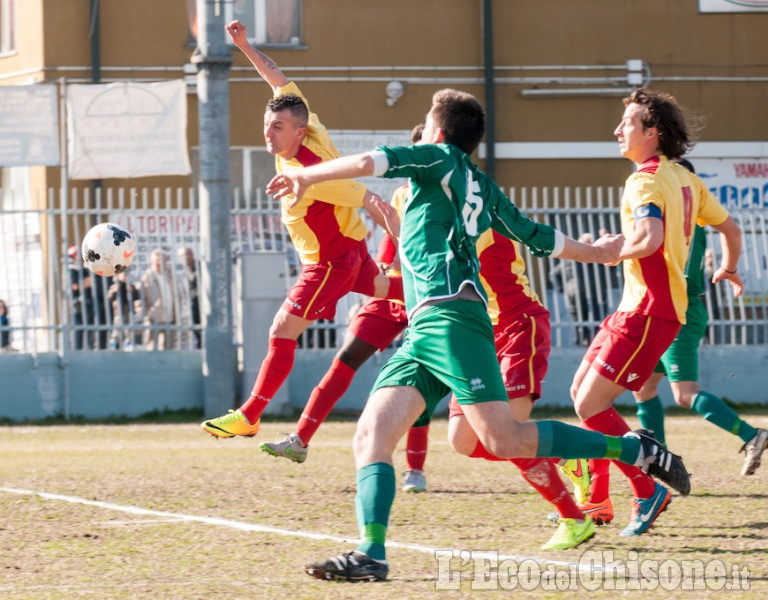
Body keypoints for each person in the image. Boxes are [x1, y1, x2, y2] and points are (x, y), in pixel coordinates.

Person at [267, 88, 690, 582]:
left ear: (439, 133)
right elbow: (537, 234)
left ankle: (635, 450)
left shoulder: (436, 157)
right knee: (372, 435)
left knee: (505, 438)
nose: (421, 133)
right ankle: (372, 554)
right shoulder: (477, 184)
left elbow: (365, 161)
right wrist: (602, 253)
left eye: (425, 125)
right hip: (427, 324)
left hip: (452, 318)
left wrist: (302, 174)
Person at [201, 20, 399, 438]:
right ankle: (467, 294)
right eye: (267, 126)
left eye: (276, 128)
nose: (267, 134)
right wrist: (245, 45)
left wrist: (404, 239)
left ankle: (250, 414)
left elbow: (373, 201)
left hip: (329, 262)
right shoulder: (307, 123)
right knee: (388, 291)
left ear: (299, 131)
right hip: (348, 249)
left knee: (281, 330)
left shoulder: (315, 173)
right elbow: (279, 81)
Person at [570, 89, 743, 538]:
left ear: (653, 132)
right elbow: (729, 226)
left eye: (626, 123)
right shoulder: (686, 180)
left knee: (591, 405)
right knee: (581, 397)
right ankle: (600, 499)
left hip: (648, 311)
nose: (617, 130)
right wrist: (728, 266)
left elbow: (647, 239)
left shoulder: (644, 180)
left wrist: (607, 251)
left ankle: (647, 484)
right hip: (640, 308)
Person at [258, 125, 422, 481]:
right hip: (394, 291)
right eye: (417, 152)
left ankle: (416, 468)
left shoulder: (453, 199)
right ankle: (300, 439)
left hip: (428, 297)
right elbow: (390, 245)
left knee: (423, 376)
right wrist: (382, 269)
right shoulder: (400, 195)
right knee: (345, 359)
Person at [447, 228, 595, 550]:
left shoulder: (478, 210)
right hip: (482, 333)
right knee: (462, 440)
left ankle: (574, 519)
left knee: (508, 435)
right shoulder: (440, 204)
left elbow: (451, 262)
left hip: (518, 324)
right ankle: (567, 456)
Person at [633, 159, 767, 476]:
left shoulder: (675, 219)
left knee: (684, 393)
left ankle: (752, 435)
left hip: (679, 310)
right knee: (643, 386)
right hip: (668, 309)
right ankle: (661, 460)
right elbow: (729, 231)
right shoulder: (693, 216)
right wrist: (729, 267)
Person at [549, 232, 607, 346]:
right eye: (586, 242)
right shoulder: (596, 257)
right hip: (587, 294)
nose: (588, 245)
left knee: (587, 320)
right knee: (586, 320)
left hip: (587, 294)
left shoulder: (571, 258)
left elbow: (554, 274)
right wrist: (563, 289)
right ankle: (588, 341)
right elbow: (554, 274)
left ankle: (585, 341)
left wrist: (563, 289)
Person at [139, 249, 176, 351]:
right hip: (153, 319)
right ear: (152, 261)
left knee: (169, 349)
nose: (160, 262)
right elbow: (141, 300)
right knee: (151, 349)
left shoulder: (170, 276)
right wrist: (146, 316)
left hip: (170, 318)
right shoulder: (146, 278)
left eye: (163, 259)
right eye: (157, 259)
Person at [177, 246, 201, 349]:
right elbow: (183, 294)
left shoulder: (202, 269)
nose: (185, 257)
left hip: (206, 310)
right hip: (192, 311)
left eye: (187, 254)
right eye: (182, 255)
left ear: (192, 255)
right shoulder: (183, 274)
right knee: (197, 337)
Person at [107, 270, 138, 350]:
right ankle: (114, 344)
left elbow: (137, 296)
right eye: (123, 274)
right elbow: (110, 297)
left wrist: (132, 291)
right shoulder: (115, 285)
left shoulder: (130, 285)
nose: (125, 276)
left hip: (129, 311)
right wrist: (114, 291)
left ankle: (128, 343)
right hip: (119, 312)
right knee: (117, 329)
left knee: (129, 329)